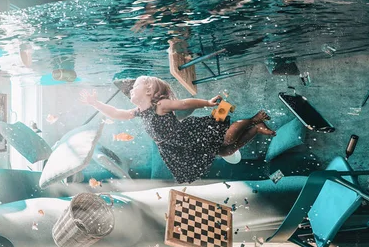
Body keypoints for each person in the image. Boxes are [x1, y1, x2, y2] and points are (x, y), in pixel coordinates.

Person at [80, 76, 276, 183]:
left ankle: (253, 119)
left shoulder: (161, 105)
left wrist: (206, 103)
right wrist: (95, 103)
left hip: (187, 135)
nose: (130, 89)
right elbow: (115, 112)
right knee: (225, 151)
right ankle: (255, 129)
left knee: (226, 140)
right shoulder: (139, 111)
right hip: (175, 147)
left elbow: (183, 103)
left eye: (135, 86)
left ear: (148, 91)